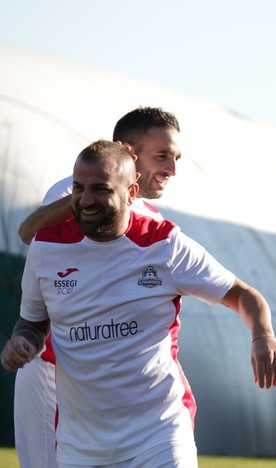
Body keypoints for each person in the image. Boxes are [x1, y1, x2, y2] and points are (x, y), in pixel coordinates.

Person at [1, 140, 276, 466]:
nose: (85, 200)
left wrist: (263, 335)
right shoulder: (47, 246)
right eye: (78, 188)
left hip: (158, 435)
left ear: (132, 192)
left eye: (100, 189)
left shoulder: (165, 244)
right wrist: (22, 342)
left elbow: (242, 294)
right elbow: (33, 322)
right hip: (80, 446)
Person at [13, 106, 182, 468]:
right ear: (128, 153)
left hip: (100, 388)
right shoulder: (77, 192)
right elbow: (29, 231)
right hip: (50, 370)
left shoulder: (153, 220)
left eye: (175, 157)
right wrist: (95, 197)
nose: (171, 169)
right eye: (162, 156)